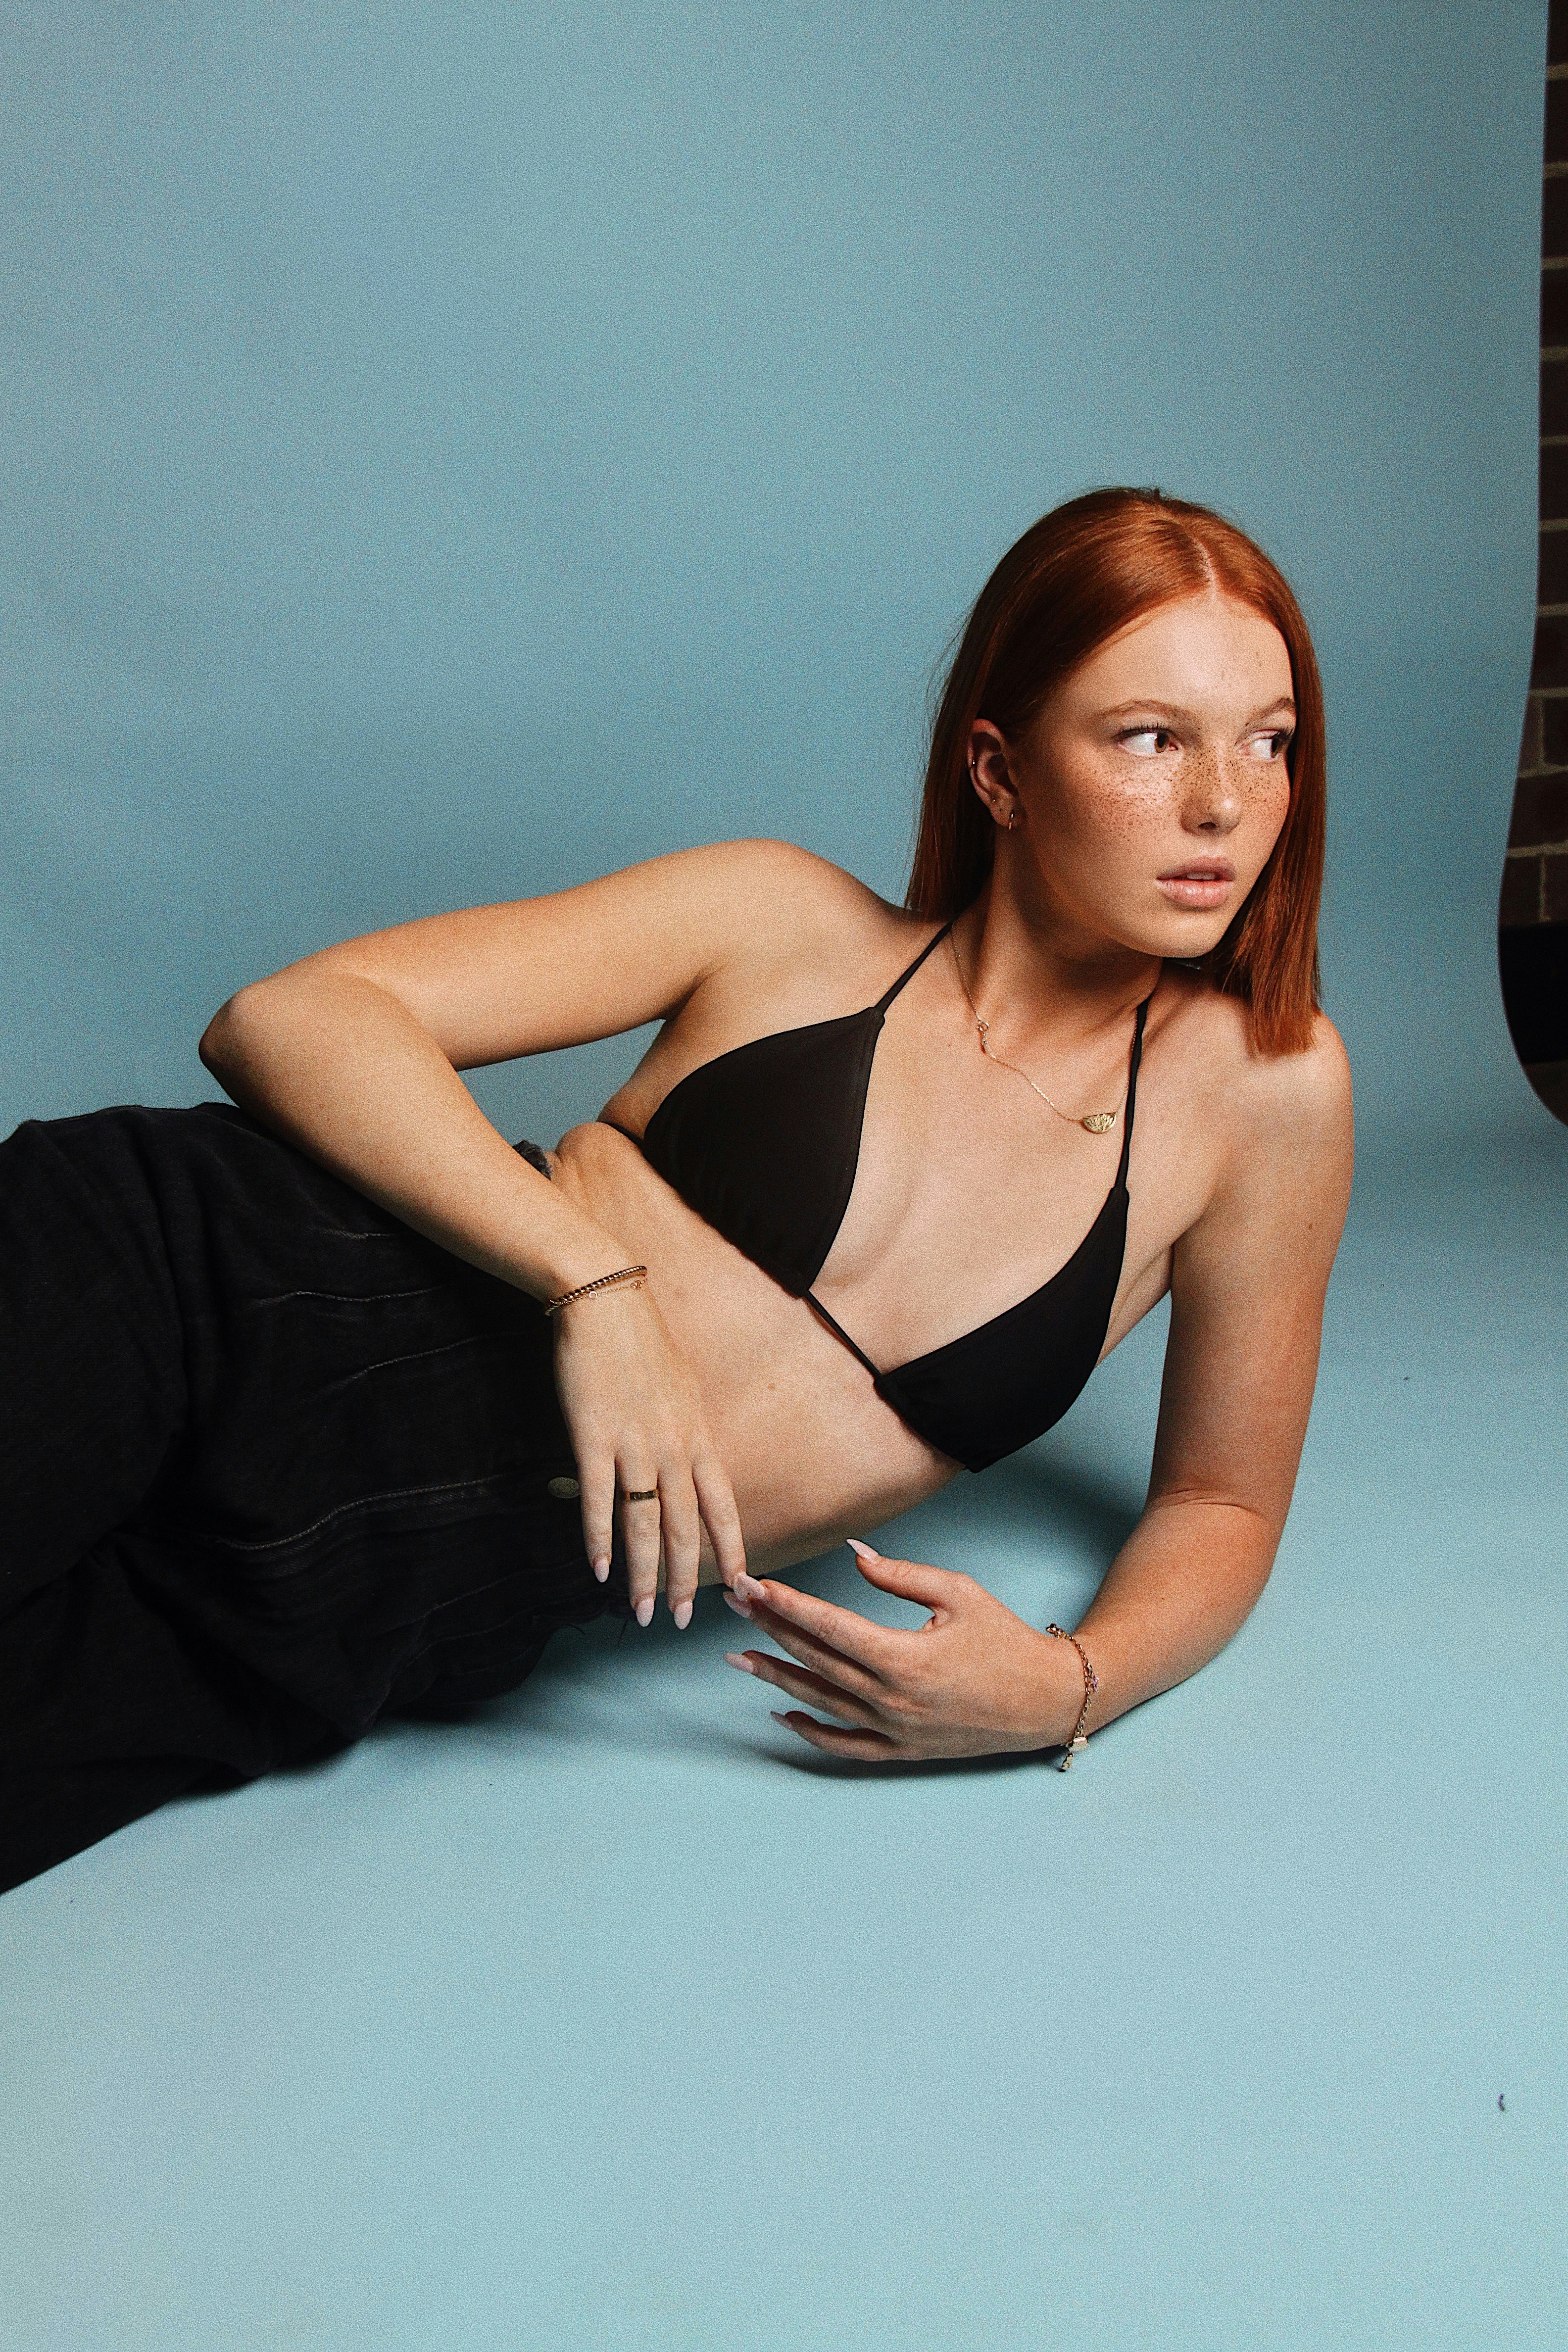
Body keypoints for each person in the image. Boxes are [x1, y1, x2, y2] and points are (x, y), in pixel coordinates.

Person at [0, 488, 1352, 1893]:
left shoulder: (1268, 1094)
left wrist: (1073, 1685)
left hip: (372, 1611)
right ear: (999, 773)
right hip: (203, 1294)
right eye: (1151, 737)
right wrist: (594, 1286)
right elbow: (291, 1016)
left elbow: (1223, 1507)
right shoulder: (782, 920)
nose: (1224, 804)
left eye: (1271, 744)